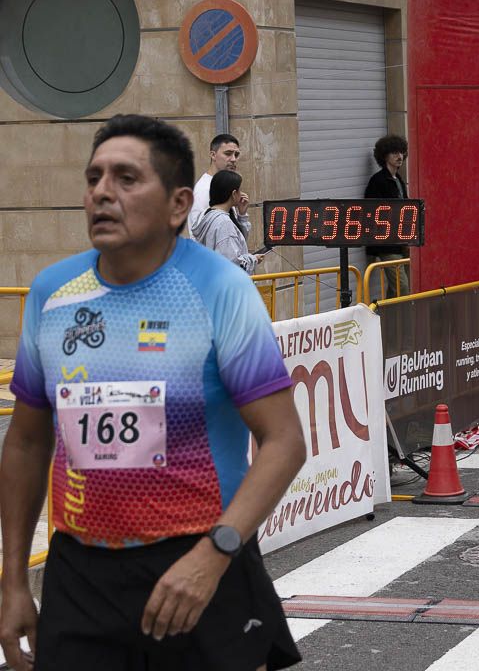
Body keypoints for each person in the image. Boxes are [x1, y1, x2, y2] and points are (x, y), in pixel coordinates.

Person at [0, 114, 305, 671]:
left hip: (201, 558)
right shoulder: (52, 292)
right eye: (93, 178)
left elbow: (283, 441)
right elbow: (24, 442)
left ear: (178, 204)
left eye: (126, 178)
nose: (101, 193)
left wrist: (215, 555)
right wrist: (13, 579)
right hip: (80, 571)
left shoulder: (220, 289)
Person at [364, 134, 411, 298]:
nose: (399, 157)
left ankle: (386, 318)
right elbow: (370, 212)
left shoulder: (398, 179)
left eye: (401, 152)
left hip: (400, 241)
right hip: (386, 243)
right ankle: (401, 320)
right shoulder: (378, 181)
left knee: (395, 287)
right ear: (385, 156)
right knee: (402, 286)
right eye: (394, 153)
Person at [192, 170, 263, 274]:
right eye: (239, 190)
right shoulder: (223, 223)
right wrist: (253, 259)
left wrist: (242, 215)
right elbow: (231, 264)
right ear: (234, 194)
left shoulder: (206, 215)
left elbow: (234, 244)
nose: (242, 194)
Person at [188, 133, 250, 237]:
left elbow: (237, 240)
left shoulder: (224, 185)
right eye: (228, 153)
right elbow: (197, 235)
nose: (233, 159)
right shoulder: (204, 189)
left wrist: (242, 215)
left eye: (236, 155)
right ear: (213, 155)